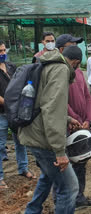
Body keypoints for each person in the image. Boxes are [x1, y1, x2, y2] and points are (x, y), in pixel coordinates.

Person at [19, 46, 83, 213]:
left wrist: (67, 119)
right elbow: (52, 108)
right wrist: (59, 151)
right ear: (75, 63)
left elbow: (43, 103)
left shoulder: (47, 64)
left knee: (47, 176)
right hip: (43, 139)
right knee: (69, 188)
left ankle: (31, 211)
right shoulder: (61, 70)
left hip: (32, 131)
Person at [57, 35, 91, 210]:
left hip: (82, 125)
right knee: (64, 167)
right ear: (61, 50)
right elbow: (60, 101)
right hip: (67, 126)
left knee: (81, 161)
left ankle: (79, 197)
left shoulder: (79, 71)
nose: (75, 47)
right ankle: (63, 201)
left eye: (76, 45)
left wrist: (87, 119)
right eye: (71, 45)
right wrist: (74, 118)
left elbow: (87, 97)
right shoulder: (58, 72)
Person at [0, 40, 36, 189]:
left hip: (15, 112)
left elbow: (19, 84)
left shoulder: (11, 66)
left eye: (3, 50)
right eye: (0, 51)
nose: (3, 53)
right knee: (0, 145)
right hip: (2, 113)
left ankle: (23, 168)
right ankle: (0, 177)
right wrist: (10, 103)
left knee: (20, 141)